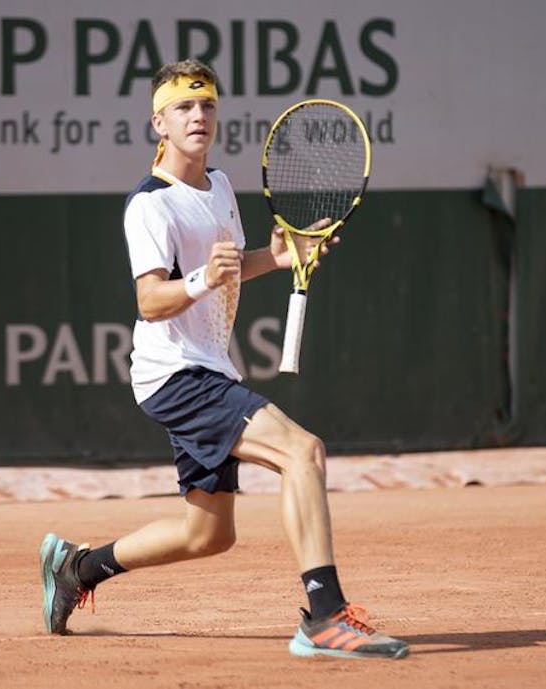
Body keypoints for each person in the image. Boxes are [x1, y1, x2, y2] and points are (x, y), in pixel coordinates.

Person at [39, 59, 409, 660]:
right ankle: (325, 617)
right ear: (158, 121)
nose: (198, 116)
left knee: (208, 534)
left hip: (209, 367)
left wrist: (278, 255)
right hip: (176, 374)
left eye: (207, 104)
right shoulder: (149, 206)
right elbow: (151, 299)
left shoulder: (220, 186)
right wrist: (201, 279)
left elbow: (231, 267)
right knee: (303, 451)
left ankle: (78, 569)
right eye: (183, 107)